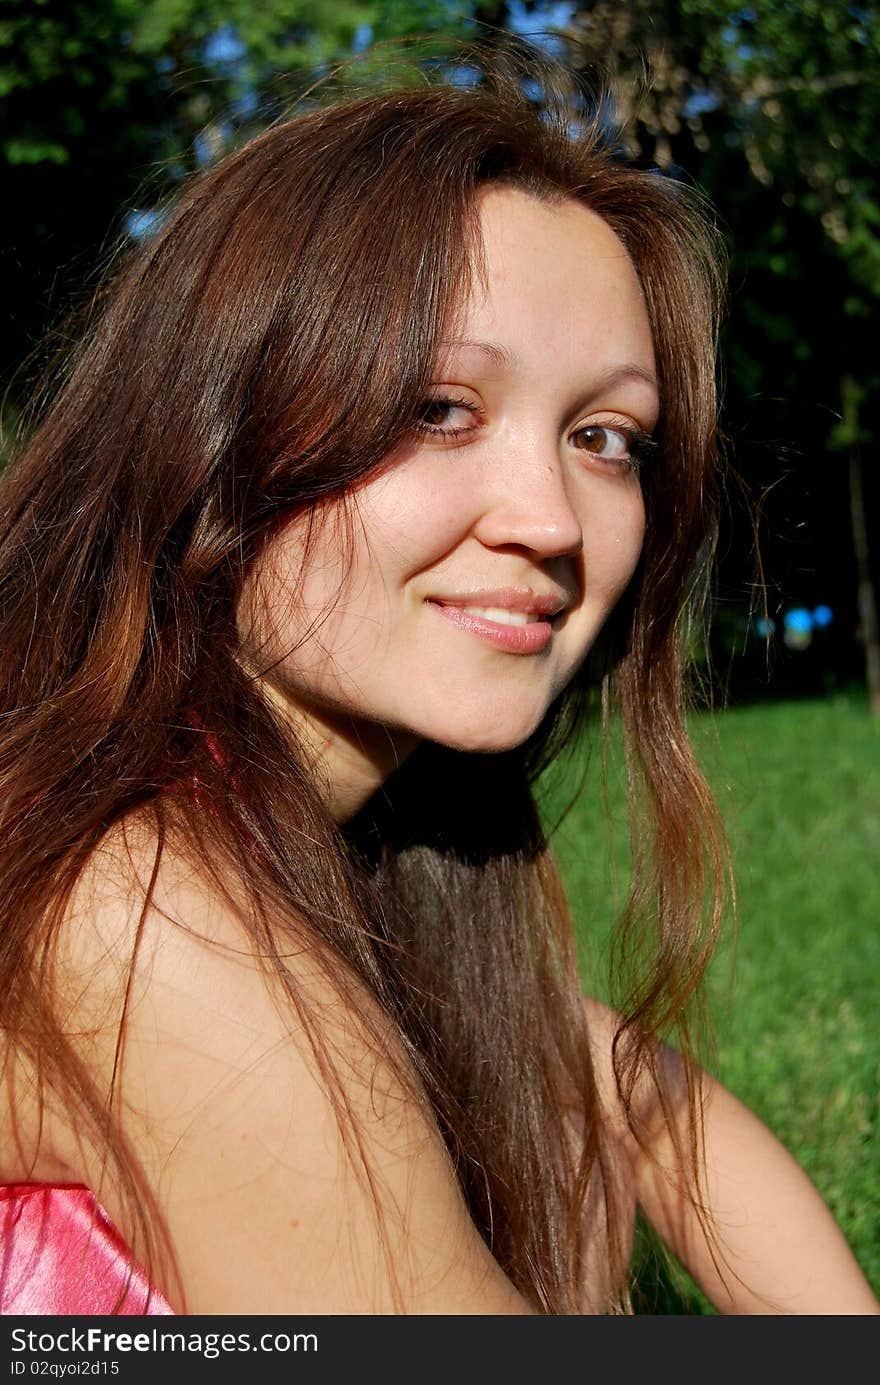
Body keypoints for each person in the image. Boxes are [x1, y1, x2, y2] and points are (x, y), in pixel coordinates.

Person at [0, 47, 876, 1318]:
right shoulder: (138, 909)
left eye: (603, 438)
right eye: (436, 408)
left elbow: (613, 1078)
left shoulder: (330, 845)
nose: (550, 519)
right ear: (212, 426)